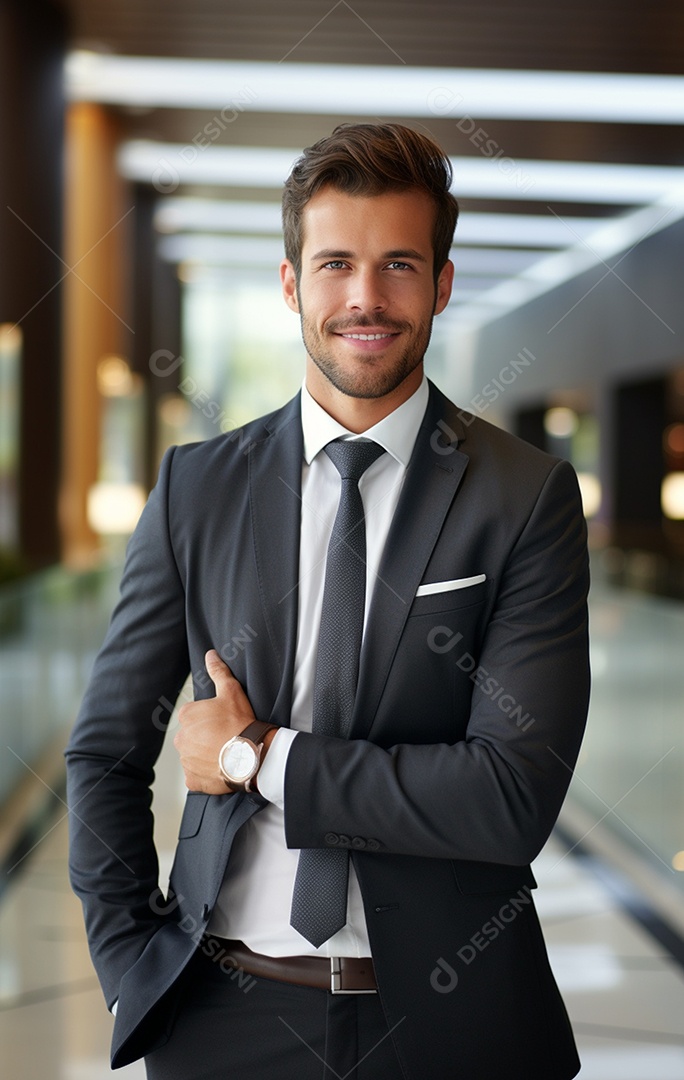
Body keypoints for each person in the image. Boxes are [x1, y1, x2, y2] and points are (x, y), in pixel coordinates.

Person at [66, 123, 590, 1080]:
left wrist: (255, 754)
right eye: (336, 262)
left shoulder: (524, 498)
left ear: (441, 283)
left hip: (450, 1028)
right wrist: (127, 967)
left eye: (399, 265)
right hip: (222, 1021)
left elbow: (509, 797)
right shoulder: (197, 488)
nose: (365, 297)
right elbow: (104, 752)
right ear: (289, 283)